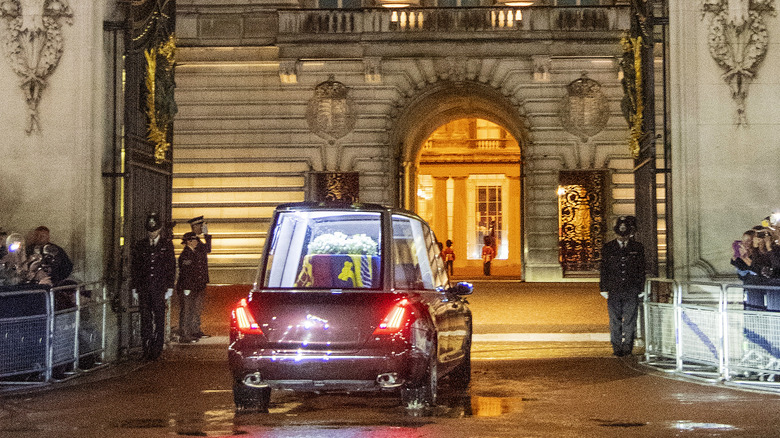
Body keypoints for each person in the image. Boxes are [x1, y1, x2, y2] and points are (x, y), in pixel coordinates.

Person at [131, 212, 176, 360]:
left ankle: (157, 349)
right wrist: (135, 287)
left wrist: (170, 286)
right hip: (144, 288)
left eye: (155, 230)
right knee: (145, 319)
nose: (152, 233)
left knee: (159, 318)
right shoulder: (141, 245)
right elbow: (136, 268)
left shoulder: (166, 245)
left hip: (159, 288)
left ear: (160, 229)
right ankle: (146, 347)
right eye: (150, 231)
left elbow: (171, 267)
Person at [599, 215, 646, 357]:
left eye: (625, 232)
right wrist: (603, 288)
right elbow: (604, 269)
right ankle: (617, 347)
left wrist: (641, 288)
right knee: (615, 320)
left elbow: (641, 269)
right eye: (620, 232)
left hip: (631, 288)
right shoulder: (608, 248)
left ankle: (627, 347)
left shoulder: (637, 248)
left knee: (630, 320)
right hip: (614, 289)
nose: (622, 235)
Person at [176, 231, 209, 343]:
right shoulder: (185, 255)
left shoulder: (194, 252)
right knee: (186, 310)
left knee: (194, 309)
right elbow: (186, 273)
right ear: (188, 242)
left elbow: (206, 249)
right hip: (188, 287)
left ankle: (192, 331)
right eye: (194, 240)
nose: (196, 242)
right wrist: (186, 287)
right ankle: (185, 334)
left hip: (195, 286)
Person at [186, 216, 212, 339]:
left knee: (197, 306)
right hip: (196, 281)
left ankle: (195, 329)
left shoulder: (197, 240)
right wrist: (207, 236)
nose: (202, 228)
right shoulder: (193, 240)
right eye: (201, 226)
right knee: (194, 306)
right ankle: (193, 330)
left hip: (199, 280)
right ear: (195, 226)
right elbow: (208, 249)